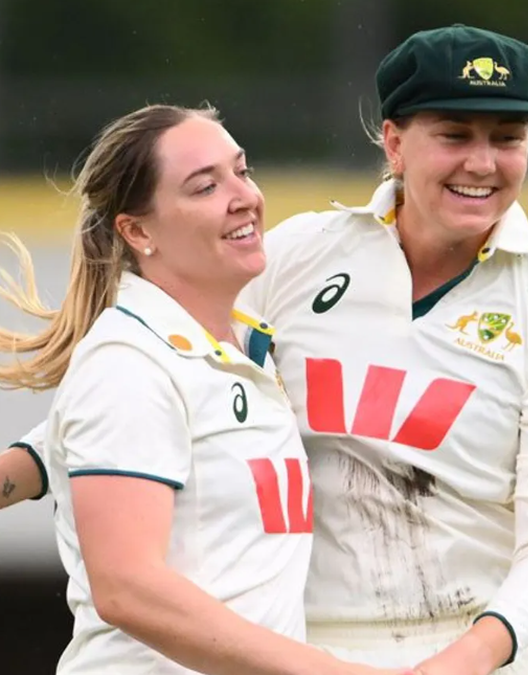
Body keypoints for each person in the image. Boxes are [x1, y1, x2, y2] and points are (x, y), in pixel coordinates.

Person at [3, 24, 528, 674]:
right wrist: (22, 467)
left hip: (493, 655)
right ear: (394, 142)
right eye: (455, 134)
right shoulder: (301, 255)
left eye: (508, 138)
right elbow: (166, 391)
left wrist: (467, 659)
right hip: (315, 656)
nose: (483, 163)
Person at [0, 105, 397, 674]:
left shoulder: (227, 345)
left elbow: (75, 446)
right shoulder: (127, 365)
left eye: (242, 170)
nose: (244, 196)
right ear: (138, 231)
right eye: (205, 186)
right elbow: (127, 589)